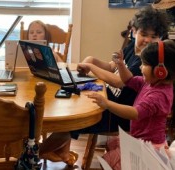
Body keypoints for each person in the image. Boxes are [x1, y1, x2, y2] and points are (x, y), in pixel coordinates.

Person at [39, 6, 170, 166]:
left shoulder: (146, 64)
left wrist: (92, 68)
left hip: (119, 113)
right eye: (143, 34)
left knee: (76, 118)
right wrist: (93, 60)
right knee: (73, 103)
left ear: (161, 38)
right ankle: (61, 151)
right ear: (134, 32)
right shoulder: (131, 49)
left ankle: (39, 151)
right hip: (109, 99)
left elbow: (119, 81)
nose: (148, 40)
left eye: (154, 36)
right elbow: (111, 66)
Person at [89, 39, 175, 169]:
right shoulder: (150, 83)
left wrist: (107, 104)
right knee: (110, 158)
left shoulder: (159, 95)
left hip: (149, 148)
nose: (140, 67)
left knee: (110, 161)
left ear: (160, 71)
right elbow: (128, 80)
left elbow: (135, 113)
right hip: (139, 140)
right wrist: (121, 65)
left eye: (144, 64)